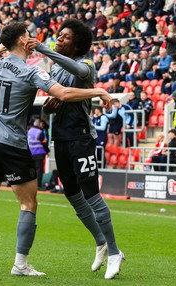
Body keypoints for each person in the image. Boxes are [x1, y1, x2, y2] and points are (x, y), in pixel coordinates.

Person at [0, 22, 112, 277]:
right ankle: (20, 265)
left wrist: (2, 46)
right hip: (13, 143)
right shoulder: (29, 71)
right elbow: (65, 94)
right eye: (27, 35)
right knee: (29, 203)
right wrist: (99, 91)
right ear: (24, 41)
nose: (32, 38)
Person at [26, 19, 124, 279]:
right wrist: (49, 107)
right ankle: (101, 241)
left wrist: (45, 49)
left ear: (78, 43)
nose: (59, 38)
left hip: (81, 137)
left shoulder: (87, 64)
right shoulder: (56, 71)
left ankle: (114, 252)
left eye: (65, 36)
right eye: (58, 35)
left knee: (91, 193)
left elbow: (80, 73)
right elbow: (54, 100)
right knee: (71, 193)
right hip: (60, 137)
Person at [27, 119, 50, 190]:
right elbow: (44, 143)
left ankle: (30, 184)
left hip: (31, 153)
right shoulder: (40, 132)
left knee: (31, 169)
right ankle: (38, 184)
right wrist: (47, 151)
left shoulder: (29, 131)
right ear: (39, 124)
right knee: (40, 170)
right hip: (39, 153)